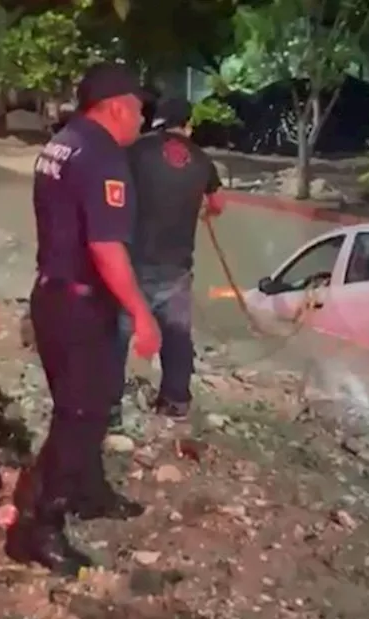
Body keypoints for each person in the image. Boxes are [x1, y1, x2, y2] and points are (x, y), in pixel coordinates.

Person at [6, 62, 161, 577]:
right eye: (139, 107)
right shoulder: (102, 155)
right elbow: (105, 245)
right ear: (116, 106)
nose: (142, 117)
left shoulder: (64, 142)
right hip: (79, 304)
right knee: (81, 414)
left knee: (83, 405)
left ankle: (88, 492)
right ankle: (36, 528)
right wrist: (142, 313)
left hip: (52, 294)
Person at [110, 96, 225, 426]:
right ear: (188, 124)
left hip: (132, 262)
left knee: (117, 336)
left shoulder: (134, 150)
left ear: (156, 120)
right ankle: (175, 401)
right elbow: (218, 203)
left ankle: (110, 409)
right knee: (176, 336)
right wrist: (203, 211)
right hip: (177, 266)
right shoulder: (203, 160)